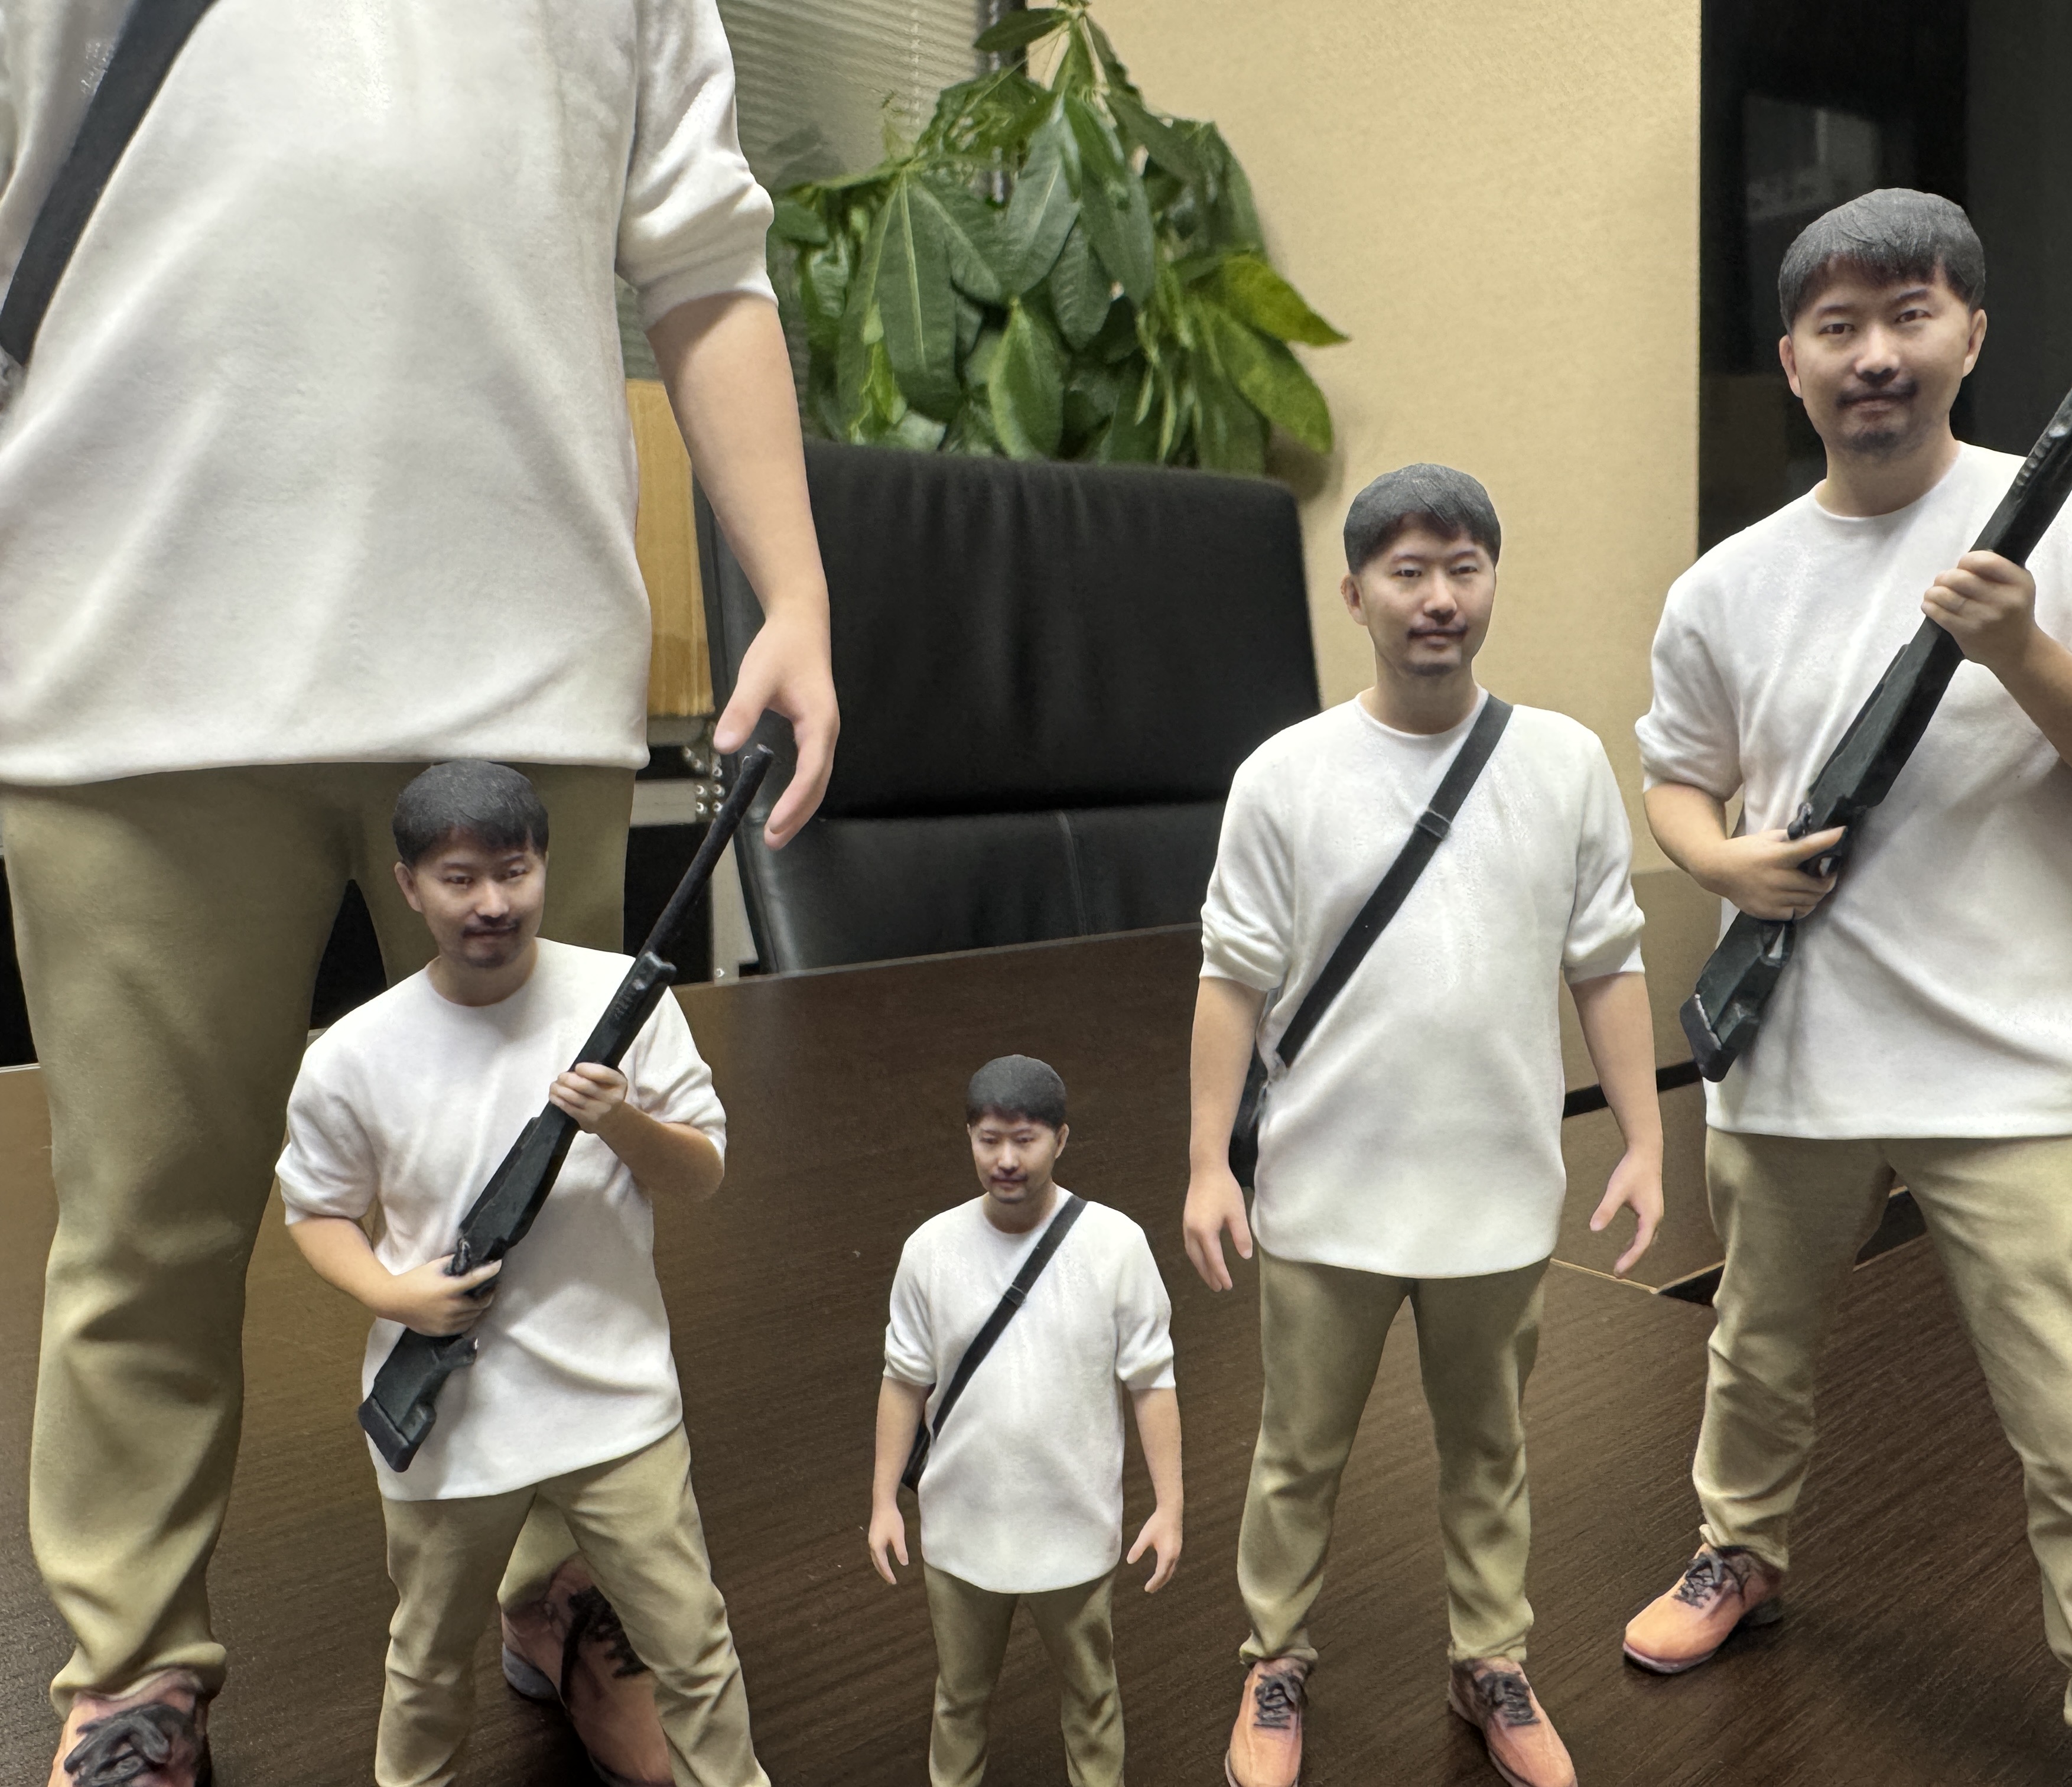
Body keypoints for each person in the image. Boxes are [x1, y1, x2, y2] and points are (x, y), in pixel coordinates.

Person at [0, 5, 838, 1782]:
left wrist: (796, 589)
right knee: (142, 1227)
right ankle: (129, 1671)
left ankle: (561, 1583)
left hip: (520, 662)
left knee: (554, 1199)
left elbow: (703, 248)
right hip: (123, 657)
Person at [1626, 190, 2072, 1787]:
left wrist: (2026, 651)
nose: (1874, 353)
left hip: (2010, 1073)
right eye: (1838, 325)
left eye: (1909, 314)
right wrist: (1727, 864)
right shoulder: (1727, 583)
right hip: (1789, 1059)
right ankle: (1739, 1554)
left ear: (1972, 334)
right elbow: (1675, 778)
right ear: (1792, 361)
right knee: (1753, 1354)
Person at [1183, 465, 1664, 1787]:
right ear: (1355, 594)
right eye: (1407, 571)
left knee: (1491, 1450)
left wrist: (1643, 1137)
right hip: (1324, 1191)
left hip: (1495, 1192)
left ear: (1493, 580)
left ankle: (1490, 1656)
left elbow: (1606, 962)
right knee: (1296, 1453)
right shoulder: (1284, 775)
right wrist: (1206, 1161)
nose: (1439, 596)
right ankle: (1273, 1660)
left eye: (1463, 566)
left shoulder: (1563, 762)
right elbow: (1230, 979)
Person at [275, 762, 762, 1787]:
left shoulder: (621, 1001)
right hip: (455, 1423)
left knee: (693, 1646)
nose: (492, 901)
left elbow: (704, 1172)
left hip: (618, 1399)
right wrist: (395, 1295)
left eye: (513, 870)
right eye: (459, 878)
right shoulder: (353, 1055)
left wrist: (619, 1121)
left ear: (545, 865)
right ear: (408, 885)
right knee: (426, 1663)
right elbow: (316, 1211)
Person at [867, 1055, 1182, 1787]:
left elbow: (1152, 1382)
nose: (1005, 1159)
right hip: (961, 1528)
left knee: (1093, 1696)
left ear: (1061, 1140)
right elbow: (903, 1381)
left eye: (1025, 1139)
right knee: (958, 1698)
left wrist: (1171, 1505)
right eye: (989, 1139)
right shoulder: (930, 1250)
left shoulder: (1116, 1246)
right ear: (969, 1139)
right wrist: (883, 1500)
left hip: (1075, 1527)